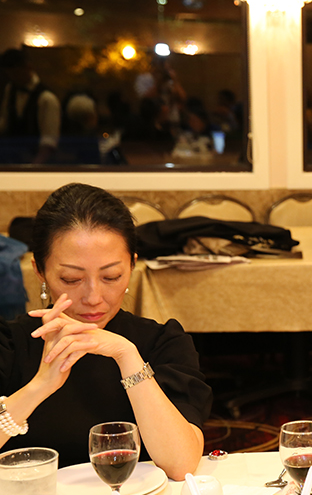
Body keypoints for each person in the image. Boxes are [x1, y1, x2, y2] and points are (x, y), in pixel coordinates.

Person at [0, 183, 211, 479]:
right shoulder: (9, 343)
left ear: (132, 265)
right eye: (71, 279)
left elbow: (181, 464)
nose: (93, 297)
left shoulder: (162, 342)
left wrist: (127, 356)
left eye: (111, 276)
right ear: (40, 271)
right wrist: (41, 385)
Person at [0, 48, 60, 164]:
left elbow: (49, 140)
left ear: (28, 67)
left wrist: (33, 166)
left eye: (15, 73)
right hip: (11, 160)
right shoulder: (10, 90)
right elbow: (5, 121)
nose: (13, 77)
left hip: (36, 162)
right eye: (9, 74)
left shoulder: (46, 98)